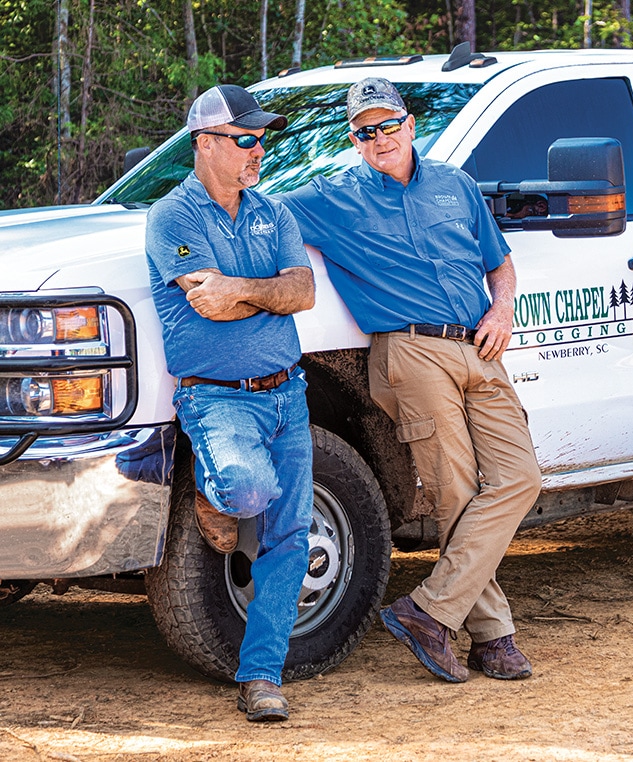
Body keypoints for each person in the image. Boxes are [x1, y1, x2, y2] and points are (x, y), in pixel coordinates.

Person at [280, 77, 542, 682]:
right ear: (354, 139)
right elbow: (255, 211)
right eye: (365, 131)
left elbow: (498, 261)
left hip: (480, 345)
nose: (379, 139)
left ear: (409, 125)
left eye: (388, 125)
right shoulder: (333, 198)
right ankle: (493, 636)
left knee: (519, 479)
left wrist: (502, 308)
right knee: (453, 492)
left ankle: (429, 610)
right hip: (411, 351)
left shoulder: (456, 185)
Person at [146, 84, 315, 720]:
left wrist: (249, 290)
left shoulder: (274, 211)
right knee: (248, 493)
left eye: (261, 139)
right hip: (215, 401)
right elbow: (203, 301)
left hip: (288, 392)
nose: (258, 150)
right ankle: (215, 488)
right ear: (205, 144)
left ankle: (262, 675)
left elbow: (302, 291)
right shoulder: (174, 217)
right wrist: (269, 289)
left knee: (290, 536)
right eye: (245, 139)